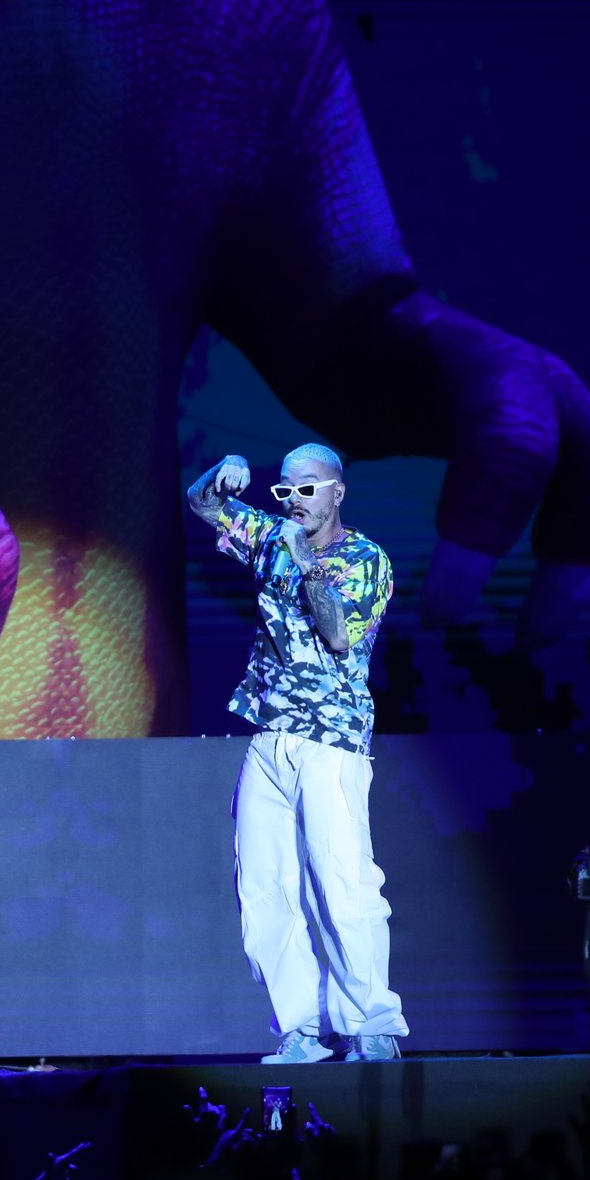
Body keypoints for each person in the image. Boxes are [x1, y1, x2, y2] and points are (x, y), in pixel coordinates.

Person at [187, 443, 408, 1064]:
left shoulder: (365, 559)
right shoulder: (272, 536)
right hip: (270, 733)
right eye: (285, 491)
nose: (293, 502)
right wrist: (223, 469)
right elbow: (201, 502)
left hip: (331, 739)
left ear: (337, 492)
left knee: (342, 883)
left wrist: (303, 557)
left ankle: (371, 1026)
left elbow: (339, 637)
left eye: (306, 490)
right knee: (264, 886)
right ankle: (302, 1029)